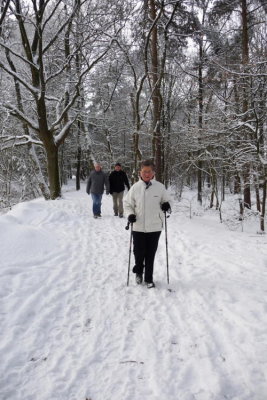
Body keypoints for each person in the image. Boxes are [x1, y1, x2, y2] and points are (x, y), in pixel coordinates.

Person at [124, 160, 171, 288]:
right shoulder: (135, 188)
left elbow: (167, 201)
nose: (146, 174)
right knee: (139, 252)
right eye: (144, 171)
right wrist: (130, 214)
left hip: (155, 227)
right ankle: (138, 271)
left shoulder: (160, 187)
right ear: (140, 172)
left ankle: (149, 278)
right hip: (138, 226)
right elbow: (127, 204)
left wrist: (166, 205)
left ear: (153, 173)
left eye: (149, 171)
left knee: (150, 253)